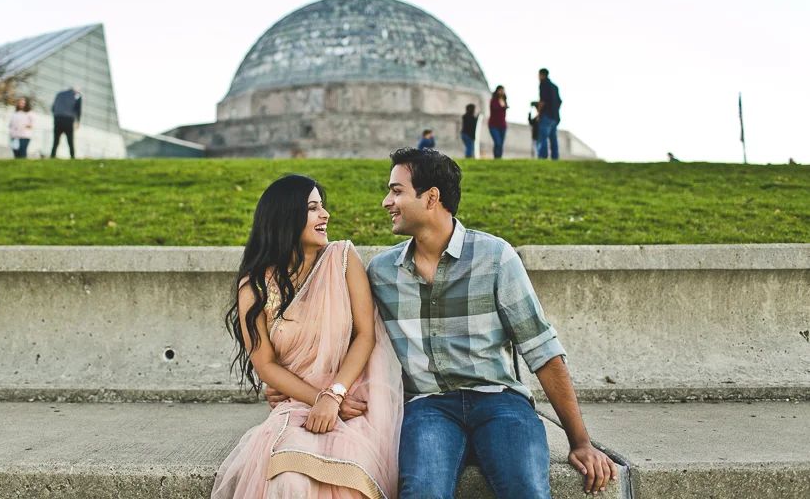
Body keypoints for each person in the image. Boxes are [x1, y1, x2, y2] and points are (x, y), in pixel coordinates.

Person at [366, 148, 617, 498]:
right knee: (422, 491)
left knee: (526, 490)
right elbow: (354, 341)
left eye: (396, 191)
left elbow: (541, 350)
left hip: (499, 401)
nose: (385, 201)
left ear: (431, 198)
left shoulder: (495, 257)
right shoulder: (381, 272)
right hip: (428, 406)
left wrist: (581, 442)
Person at [214, 175, 403, 499]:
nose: (325, 214)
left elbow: (364, 336)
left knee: (346, 480)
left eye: (322, 206)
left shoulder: (343, 259)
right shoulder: (256, 286)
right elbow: (266, 365)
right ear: (286, 217)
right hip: (297, 401)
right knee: (288, 480)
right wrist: (318, 398)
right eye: (313, 208)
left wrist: (335, 395)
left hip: (354, 396)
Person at [537, 69, 562, 160]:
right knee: (553, 138)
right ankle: (555, 157)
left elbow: (542, 100)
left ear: (542, 75)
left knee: (543, 136)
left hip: (546, 115)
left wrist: (538, 113)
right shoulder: (555, 87)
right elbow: (560, 102)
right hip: (555, 116)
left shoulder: (543, 84)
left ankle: (543, 157)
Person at [51, 87, 82, 158]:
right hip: (68, 120)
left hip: (58, 118)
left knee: (56, 141)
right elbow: (78, 109)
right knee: (70, 141)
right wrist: (78, 121)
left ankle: (52, 155)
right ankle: (72, 156)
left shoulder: (59, 94)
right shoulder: (77, 95)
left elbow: (53, 108)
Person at [487, 85, 507, 159]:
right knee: (497, 142)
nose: (502, 92)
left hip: (502, 125)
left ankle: (499, 158)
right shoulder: (493, 100)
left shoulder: (504, 101)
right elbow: (495, 108)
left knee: (501, 143)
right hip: (494, 124)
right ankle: (496, 157)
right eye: (500, 90)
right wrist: (503, 107)